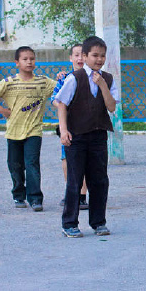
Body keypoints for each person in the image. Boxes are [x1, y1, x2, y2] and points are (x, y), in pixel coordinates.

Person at [54, 36, 118, 238]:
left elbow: (111, 106)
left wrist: (103, 86)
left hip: (98, 135)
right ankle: (69, 223)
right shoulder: (75, 77)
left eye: (102, 56)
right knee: (75, 180)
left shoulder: (107, 78)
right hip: (77, 136)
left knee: (99, 180)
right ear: (84, 56)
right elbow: (61, 103)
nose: (99, 60)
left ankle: (98, 222)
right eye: (94, 55)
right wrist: (64, 131)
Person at [0, 46, 57, 211]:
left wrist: (64, 78)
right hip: (14, 131)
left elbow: (60, 89)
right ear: (17, 62)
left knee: (32, 163)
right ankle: (18, 195)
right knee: (15, 165)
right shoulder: (9, 82)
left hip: (34, 131)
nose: (29, 62)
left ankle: (36, 198)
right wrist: (1, 110)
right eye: (25, 59)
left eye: (32, 58)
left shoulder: (43, 82)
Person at [51, 43, 89, 209]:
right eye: (76, 55)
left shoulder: (92, 77)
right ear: (71, 58)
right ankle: (71, 192)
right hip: (68, 125)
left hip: (87, 125)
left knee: (86, 161)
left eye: (82, 55)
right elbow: (55, 100)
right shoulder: (64, 79)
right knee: (66, 158)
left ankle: (82, 195)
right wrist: (64, 105)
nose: (80, 58)